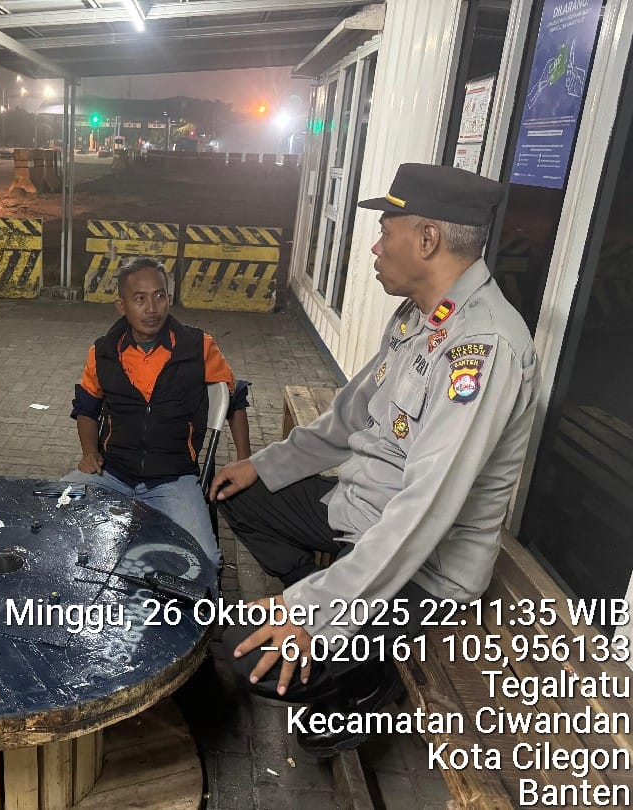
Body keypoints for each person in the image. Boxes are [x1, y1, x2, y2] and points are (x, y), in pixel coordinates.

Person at [210, 163, 539, 756]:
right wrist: (264, 464)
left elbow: (425, 509)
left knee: (243, 661)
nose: (375, 247)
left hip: (425, 566)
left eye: (386, 232)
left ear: (427, 239)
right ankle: (342, 612)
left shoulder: (483, 348)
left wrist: (311, 612)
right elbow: (348, 417)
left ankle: (365, 682)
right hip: (363, 512)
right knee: (240, 492)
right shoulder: (420, 314)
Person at [66, 256, 250, 568]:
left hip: (174, 479)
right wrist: (89, 452)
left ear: (169, 298)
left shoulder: (198, 347)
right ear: (122, 305)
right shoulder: (102, 352)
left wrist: (245, 460)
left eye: (159, 296)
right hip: (111, 474)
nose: (152, 308)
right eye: (140, 299)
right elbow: (86, 406)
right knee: (51, 516)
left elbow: (235, 398)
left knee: (205, 561)